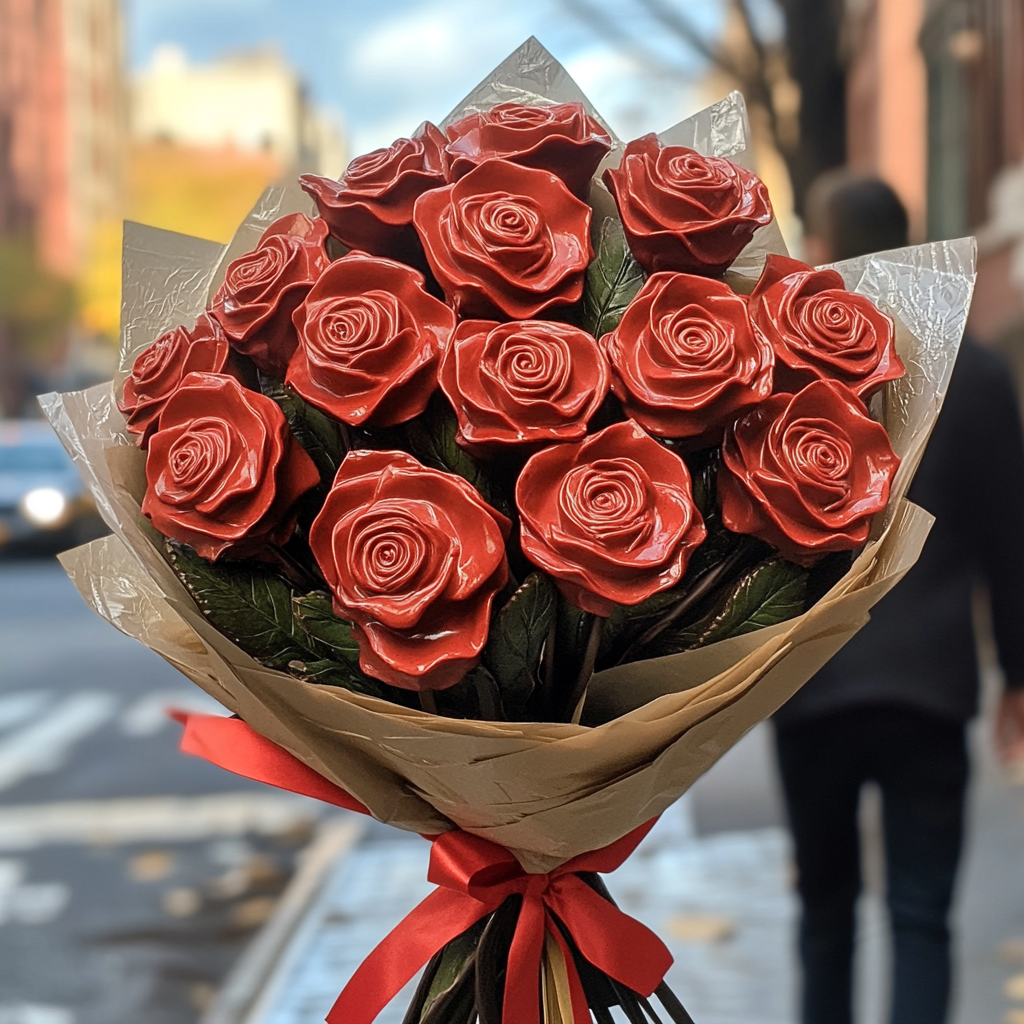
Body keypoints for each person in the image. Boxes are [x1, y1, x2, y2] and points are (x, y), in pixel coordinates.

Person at [774, 169, 1024, 1024]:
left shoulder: (790, 375)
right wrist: (1019, 680)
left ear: (825, 250)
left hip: (812, 685)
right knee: (920, 920)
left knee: (825, 918)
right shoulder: (978, 374)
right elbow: (1009, 538)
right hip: (931, 683)